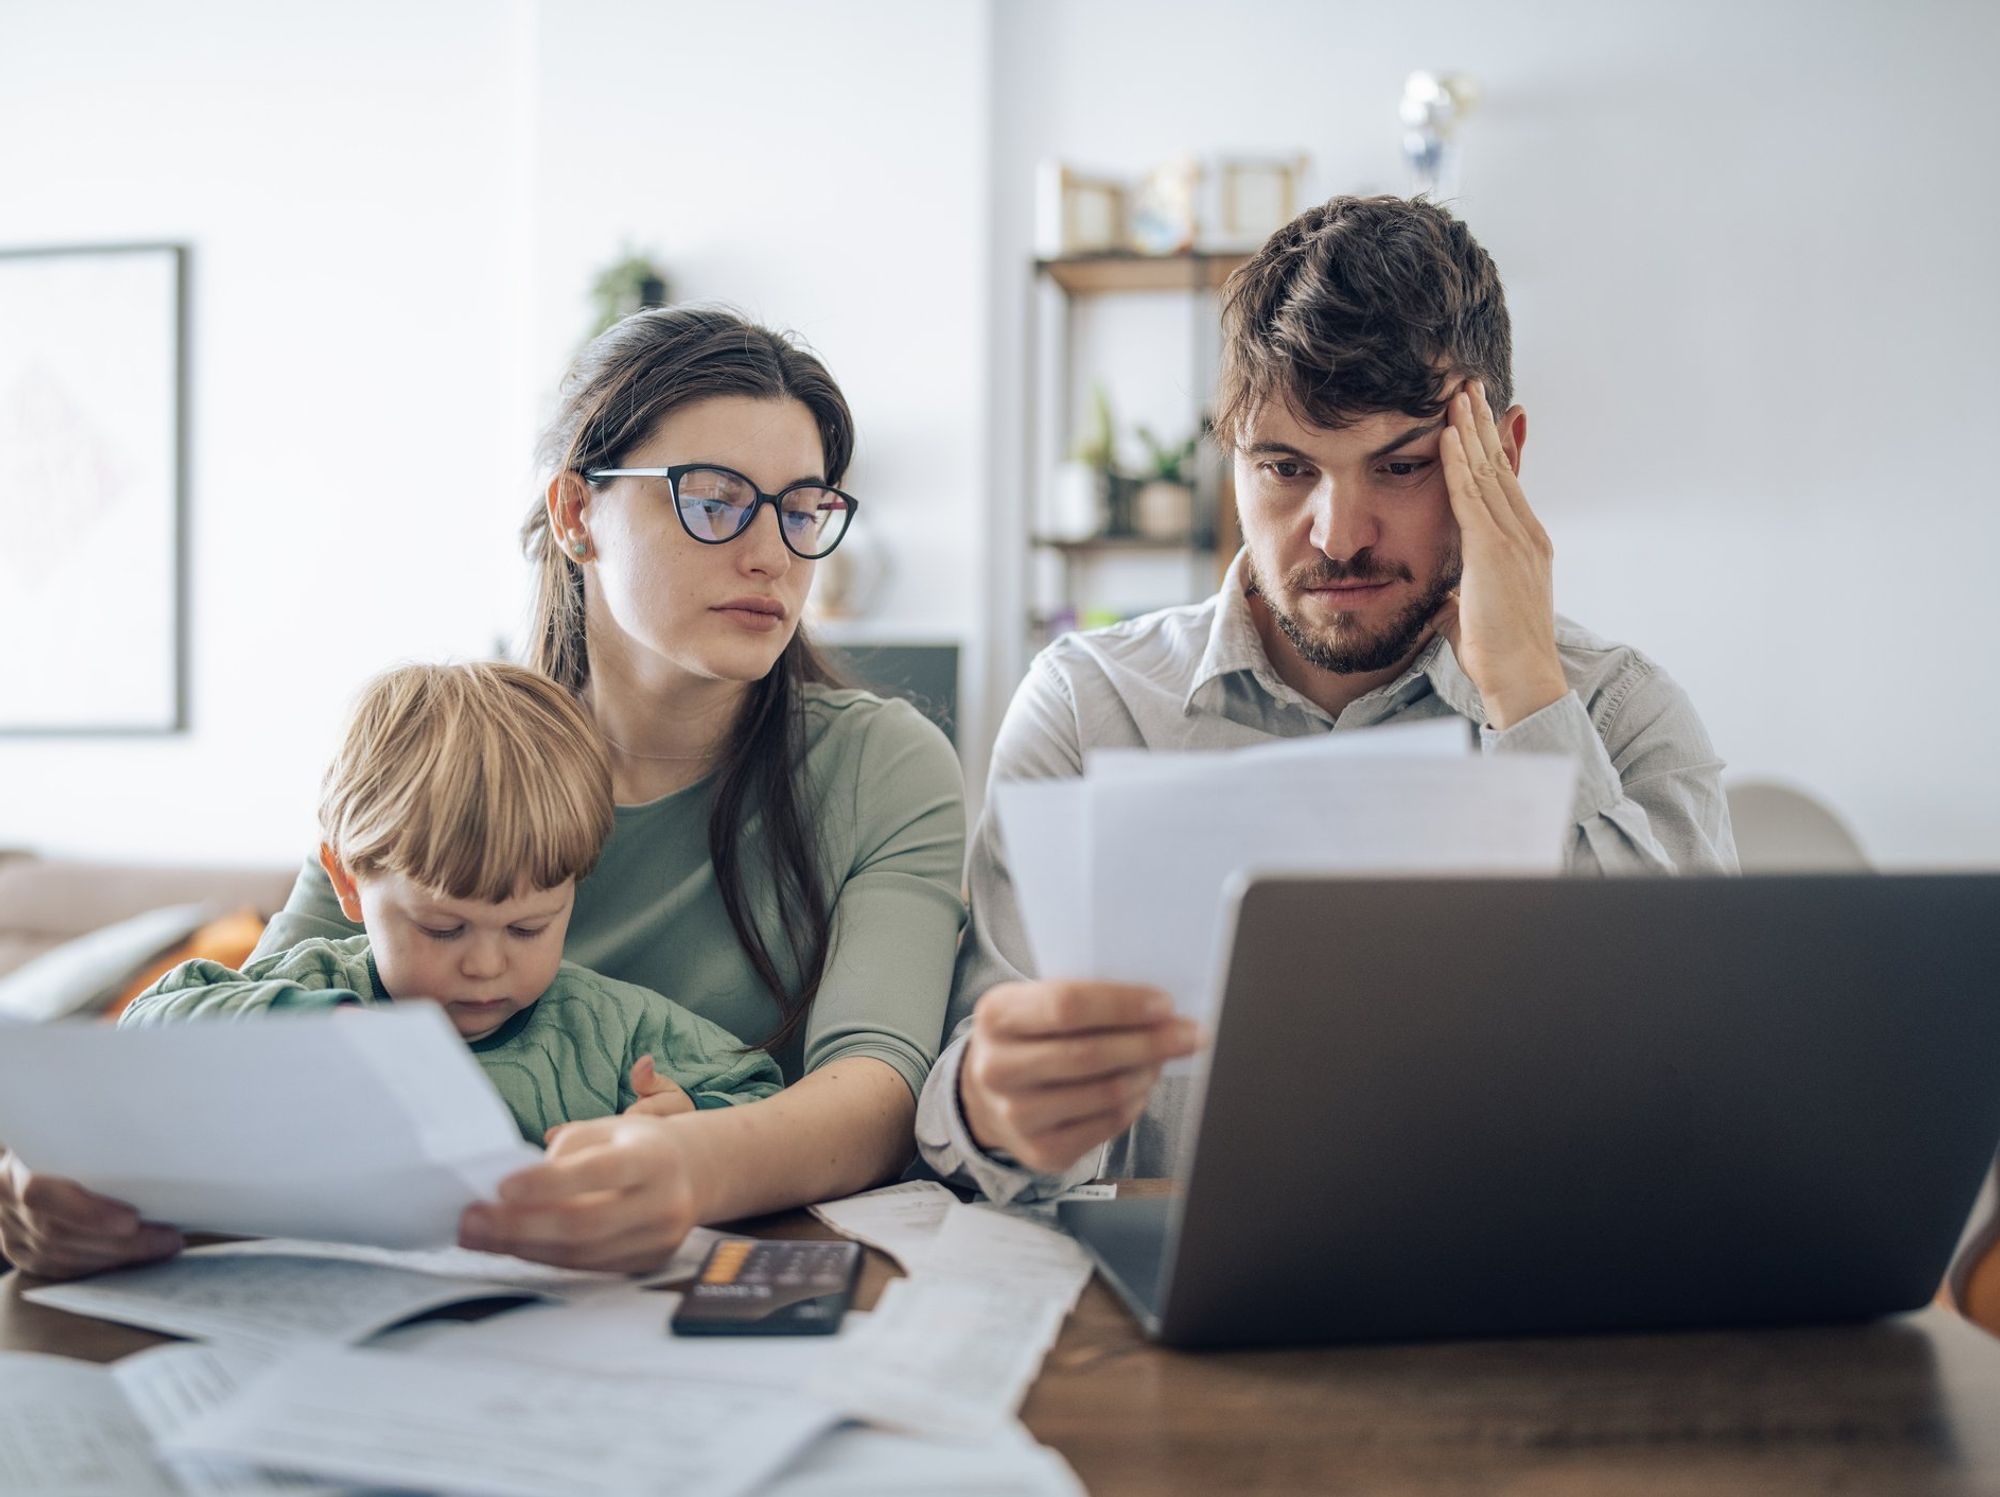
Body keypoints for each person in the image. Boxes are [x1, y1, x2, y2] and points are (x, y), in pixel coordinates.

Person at [0, 307, 966, 1279]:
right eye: (713, 501)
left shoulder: (882, 765)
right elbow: (261, 1050)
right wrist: (70, 1184)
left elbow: (880, 1092)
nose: (769, 555)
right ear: (576, 512)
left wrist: (691, 1164)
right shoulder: (445, 759)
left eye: (801, 510)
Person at [917, 195, 1739, 1205]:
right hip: (1167, 1327)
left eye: (1398, 467)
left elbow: (1689, 1096)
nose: (1336, 532)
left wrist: (1526, 693)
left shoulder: (1620, 711)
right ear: (1230, 459)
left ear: (1501, 457)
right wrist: (997, 1115)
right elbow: (981, 1124)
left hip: (1516, 1317)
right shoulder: (1091, 706)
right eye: (1283, 468)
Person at [119, 661, 784, 1139]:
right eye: (443, 928)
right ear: (348, 882)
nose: (486, 965)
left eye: (528, 927)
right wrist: (317, 1028)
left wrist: (691, 1129)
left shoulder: (611, 1031)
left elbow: (759, 1092)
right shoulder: (316, 980)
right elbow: (147, 1030)